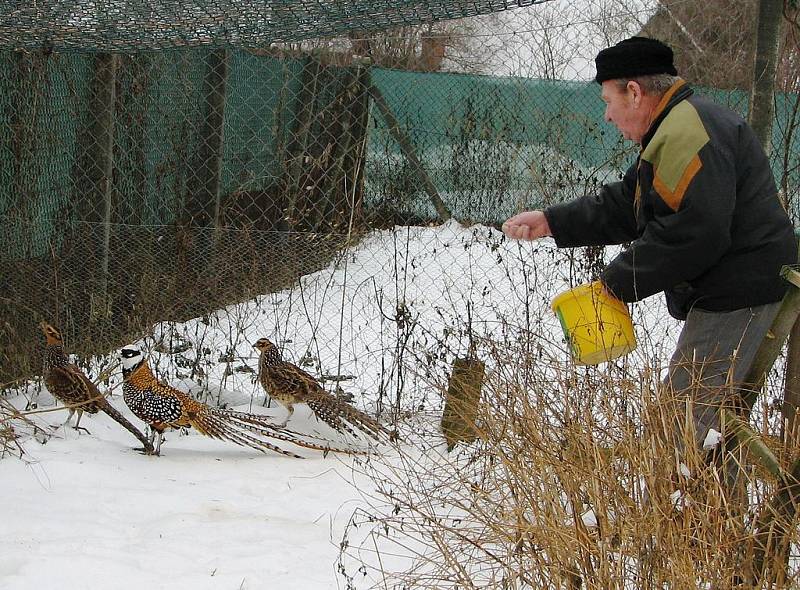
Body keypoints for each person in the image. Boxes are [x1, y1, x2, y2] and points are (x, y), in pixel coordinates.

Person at [502, 36, 797, 489]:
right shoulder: (677, 127)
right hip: (741, 286)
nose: (607, 115)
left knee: (679, 425)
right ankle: (715, 535)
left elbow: (695, 232)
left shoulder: (686, 132)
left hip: (740, 291)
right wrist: (552, 221)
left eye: (608, 100)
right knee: (709, 426)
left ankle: (696, 538)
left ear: (635, 92)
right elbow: (630, 205)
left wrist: (614, 284)